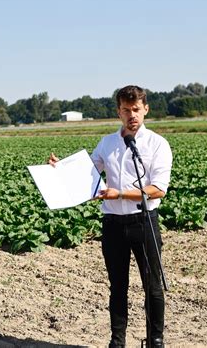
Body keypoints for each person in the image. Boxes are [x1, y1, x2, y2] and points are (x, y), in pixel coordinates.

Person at [50, 85, 172, 347]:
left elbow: (158, 189)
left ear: (146, 109)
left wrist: (119, 194)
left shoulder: (157, 144)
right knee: (118, 287)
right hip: (113, 225)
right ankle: (117, 341)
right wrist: (59, 169)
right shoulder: (107, 143)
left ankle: (156, 341)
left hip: (144, 222)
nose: (132, 115)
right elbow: (87, 174)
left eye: (136, 110)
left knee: (152, 287)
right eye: (126, 110)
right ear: (118, 111)